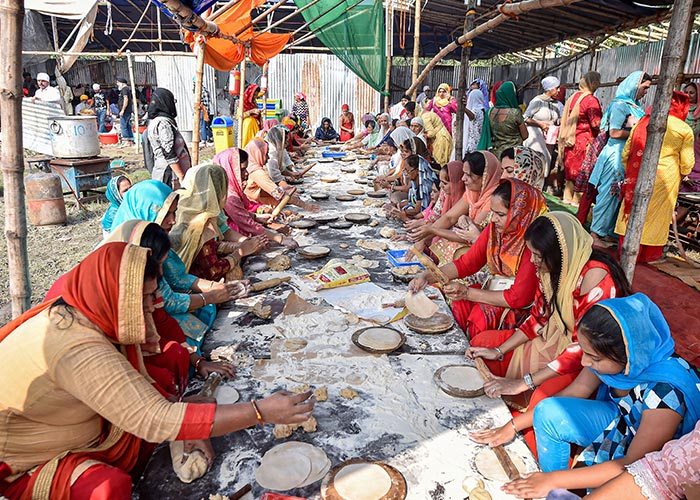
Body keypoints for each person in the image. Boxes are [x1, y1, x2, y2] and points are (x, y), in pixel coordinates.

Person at [0, 242, 315, 500]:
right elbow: (152, 420)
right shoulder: (75, 347)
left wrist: (193, 424)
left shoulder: (93, 313)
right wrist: (260, 412)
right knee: (108, 488)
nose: (156, 303)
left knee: (196, 407)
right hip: (27, 460)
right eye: (149, 296)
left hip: (80, 423)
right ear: (119, 297)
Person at [498, 294, 700, 499]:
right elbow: (576, 391)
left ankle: (555, 486)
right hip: (622, 423)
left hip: (645, 462)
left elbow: (633, 466)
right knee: (547, 412)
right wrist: (512, 425)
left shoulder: (666, 394)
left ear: (628, 356)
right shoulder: (616, 360)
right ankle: (551, 491)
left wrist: (555, 479)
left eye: (593, 357)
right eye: (584, 352)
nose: (585, 362)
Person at [468, 212, 632, 455]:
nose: (533, 261)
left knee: (542, 401)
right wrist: (499, 350)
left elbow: (582, 350)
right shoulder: (552, 269)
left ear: (558, 253)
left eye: (537, 255)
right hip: (552, 341)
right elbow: (538, 317)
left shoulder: (595, 278)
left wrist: (524, 383)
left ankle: (538, 455)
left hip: (583, 361)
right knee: (482, 345)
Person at [409, 178, 546, 337]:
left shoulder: (532, 242)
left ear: (519, 213)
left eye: (500, 214)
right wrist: (427, 276)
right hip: (498, 291)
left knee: (481, 316)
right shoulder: (495, 230)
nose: (493, 219)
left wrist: (467, 293)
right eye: (492, 212)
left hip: (522, 306)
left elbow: (518, 298)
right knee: (459, 305)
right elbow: (466, 264)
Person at [615, 90, 695, 263]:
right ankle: (649, 255)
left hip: (638, 174)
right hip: (665, 180)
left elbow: (627, 152)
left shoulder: (644, 121)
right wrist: (684, 172)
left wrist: (630, 172)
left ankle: (626, 251)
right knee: (657, 216)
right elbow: (687, 162)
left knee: (631, 212)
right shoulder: (684, 129)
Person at [170, 163, 268, 282]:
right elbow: (214, 271)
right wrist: (239, 253)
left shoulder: (185, 209)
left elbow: (207, 248)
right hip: (191, 281)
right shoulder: (204, 223)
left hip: (180, 272)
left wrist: (242, 246)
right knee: (235, 273)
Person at [589, 71, 651, 248]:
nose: (645, 92)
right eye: (644, 88)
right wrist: (638, 133)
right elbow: (614, 132)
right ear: (634, 85)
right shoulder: (620, 105)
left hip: (626, 156)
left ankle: (607, 231)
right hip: (615, 155)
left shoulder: (635, 106)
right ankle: (595, 232)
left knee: (618, 194)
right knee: (609, 193)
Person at [409, 151, 502, 265]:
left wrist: (433, 230)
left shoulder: (493, 198)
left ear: (484, 177)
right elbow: (449, 217)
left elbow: (471, 235)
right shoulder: (472, 192)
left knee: (451, 246)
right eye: (464, 173)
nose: (463, 179)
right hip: (470, 241)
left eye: (468, 175)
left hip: (486, 250)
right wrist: (423, 239)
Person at [215, 147, 298, 248]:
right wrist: (279, 239)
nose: (246, 173)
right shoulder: (230, 195)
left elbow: (242, 210)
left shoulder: (232, 187)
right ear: (229, 169)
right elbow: (245, 223)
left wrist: (257, 217)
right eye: (241, 169)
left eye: (246, 168)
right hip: (233, 234)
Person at [557, 71, 602, 206]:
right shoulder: (590, 100)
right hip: (584, 141)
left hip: (570, 139)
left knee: (570, 171)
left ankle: (567, 197)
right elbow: (596, 123)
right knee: (583, 172)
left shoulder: (573, 97)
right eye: (597, 82)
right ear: (593, 83)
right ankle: (577, 201)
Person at [244, 139, 319, 212]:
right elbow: (279, 195)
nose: (268, 158)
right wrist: (305, 205)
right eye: (266, 154)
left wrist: (286, 192)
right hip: (252, 205)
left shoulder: (251, 165)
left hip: (255, 200)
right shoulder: (257, 172)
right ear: (258, 154)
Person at [143, 88, 191, 190]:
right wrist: (181, 176)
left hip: (166, 170)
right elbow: (168, 152)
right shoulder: (163, 123)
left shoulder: (157, 121)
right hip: (169, 174)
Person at [524, 76, 562, 174]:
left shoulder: (556, 104)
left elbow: (559, 119)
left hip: (549, 137)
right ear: (550, 89)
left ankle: (541, 186)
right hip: (535, 136)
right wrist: (540, 124)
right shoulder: (538, 101)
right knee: (535, 162)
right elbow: (525, 118)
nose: (559, 90)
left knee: (546, 161)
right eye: (556, 88)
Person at [489, 81, 527, 160]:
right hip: (513, 155)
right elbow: (525, 135)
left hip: (496, 154)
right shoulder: (515, 113)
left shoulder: (490, 112)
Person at [681, 81, 700, 192]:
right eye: (686, 92)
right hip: (682, 151)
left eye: (692, 93)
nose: (688, 95)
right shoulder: (680, 110)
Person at [462, 87, 487, 157]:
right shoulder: (483, 110)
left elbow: (472, 116)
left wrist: (464, 108)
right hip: (480, 139)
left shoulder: (477, 110)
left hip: (473, 142)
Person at [241, 84, 263, 148]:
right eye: (254, 95)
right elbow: (238, 116)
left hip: (255, 126)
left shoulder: (253, 102)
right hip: (247, 127)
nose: (255, 97)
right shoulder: (242, 102)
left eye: (256, 95)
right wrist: (251, 111)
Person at [116, 77, 134, 147]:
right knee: (128, 126)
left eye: (118, 83)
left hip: (125, 111)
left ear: (122, 83)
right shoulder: (126, 89)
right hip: (127, 111)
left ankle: (126, 141)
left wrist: (122, 110)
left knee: (123, 126)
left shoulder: (124, 90)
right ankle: (130, 141)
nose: (117, 85)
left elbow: (125, 100)